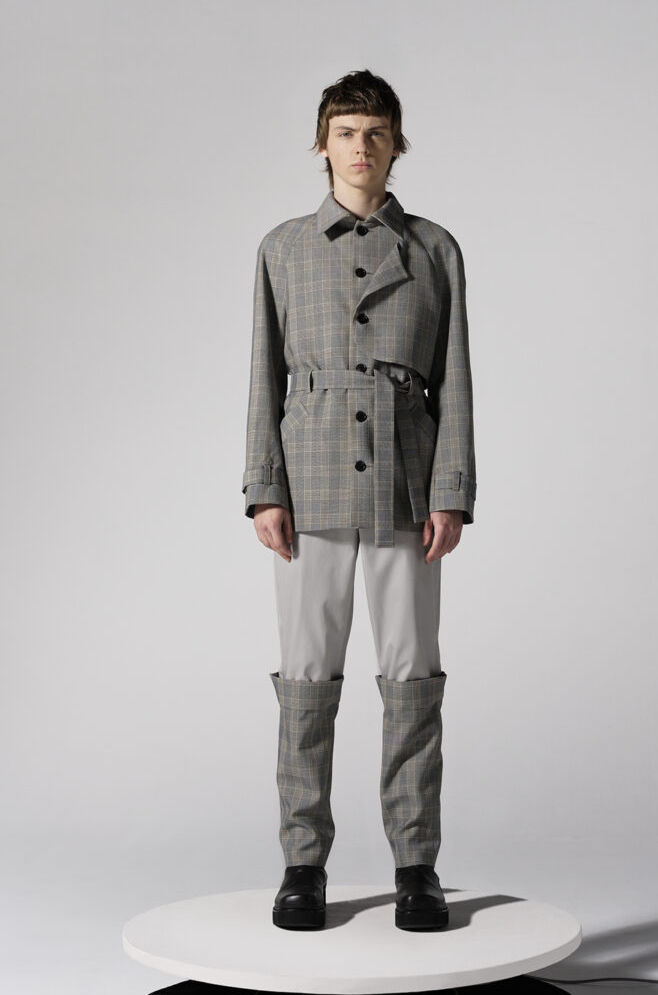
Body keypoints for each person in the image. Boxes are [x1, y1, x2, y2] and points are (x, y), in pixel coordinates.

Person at [242, 69, 476, 931]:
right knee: (306, 682)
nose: (360, 146)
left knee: (411, 680)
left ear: (395, 144)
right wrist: (263, 489)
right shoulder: (282, 248)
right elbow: (262, 375)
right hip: (307, 485)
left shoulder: (434, 249)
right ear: (322, 144)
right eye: (345, 131)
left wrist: (450, 490)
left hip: (407, 487)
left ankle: (416, 866)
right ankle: (302, 865)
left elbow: (454, 381)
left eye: (375, 132)